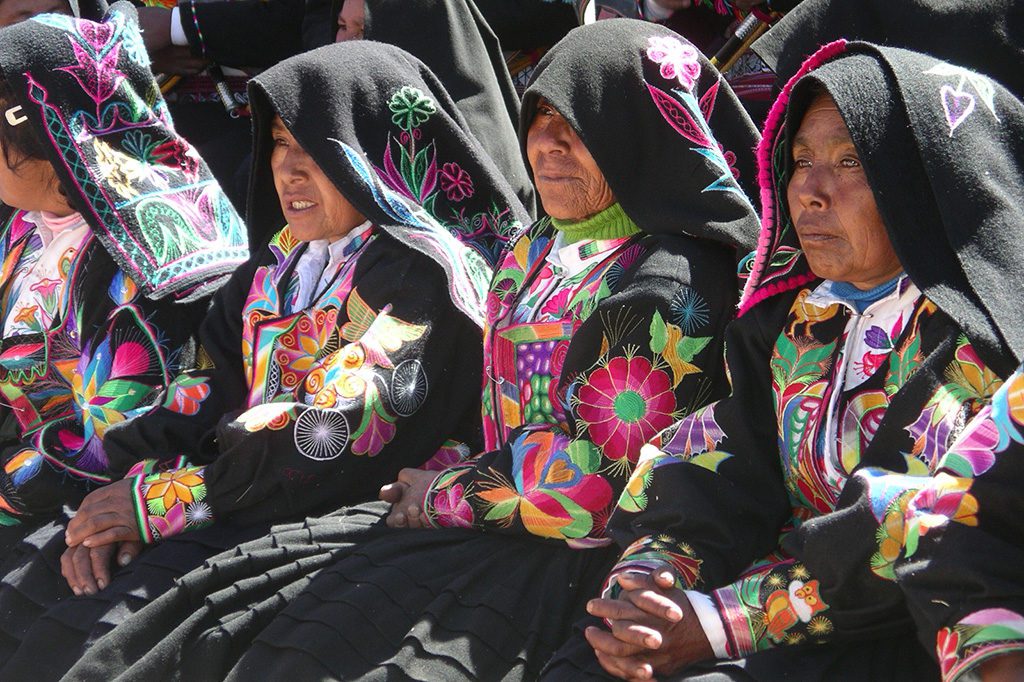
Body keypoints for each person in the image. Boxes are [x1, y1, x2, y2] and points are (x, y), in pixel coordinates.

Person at [58, 19, 761, 681]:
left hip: (577, 561)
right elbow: (499, 425)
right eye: (538, 121)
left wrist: (442, 491)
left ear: (636, 134)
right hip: (476, 517)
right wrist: (108, 484)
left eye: (576, 126)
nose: (546, 146)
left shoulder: (667, 287)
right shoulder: (539, 250)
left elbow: (588, 491)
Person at [0, 31, 533, 674]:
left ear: (370, 155)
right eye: (279, 143)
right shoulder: (283, 259)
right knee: (49, 604)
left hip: (356, 514)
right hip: (245, 497)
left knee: (123, 645)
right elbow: (202, 394)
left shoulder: (425, 276)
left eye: (314, 148)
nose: (287, 169)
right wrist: (115, 503)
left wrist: (164, 504)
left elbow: (334, 429)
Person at [550, 40, 1024, 680]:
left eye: (852, 161)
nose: (811, 191)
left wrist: (720, 622)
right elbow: (721, 462)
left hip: (902, 635)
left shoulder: (978, 349)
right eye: (800, 160)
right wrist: (656, 579)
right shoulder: (794, 324)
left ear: (925, 180)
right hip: (761, 608)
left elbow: (912, 530)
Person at [0, 2, 247, 552]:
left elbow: (108, 443)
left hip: (90, 508)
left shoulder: (145, 258)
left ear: (43, 132)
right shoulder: (23, 225)